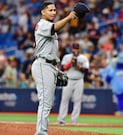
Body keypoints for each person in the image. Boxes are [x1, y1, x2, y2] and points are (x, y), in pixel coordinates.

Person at [31, 1, 78, 135]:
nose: (53, 12)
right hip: (42, 64)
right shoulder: (43, 25)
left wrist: (55, 68)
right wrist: (69, 17)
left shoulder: (48, 25)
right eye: (50, 10)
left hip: (49, 65)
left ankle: (42, 132)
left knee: (48, 103)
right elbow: (54, 28)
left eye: (54, 10)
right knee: (45, 102)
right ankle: (40, 133)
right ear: (43, 12)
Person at [57, 43, 89, 125]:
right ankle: (61, 119)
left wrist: (77, 66)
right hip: (68, 79)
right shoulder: (67, 57)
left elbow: (86, 71)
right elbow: (63, 68)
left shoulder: (83, 58)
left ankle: (74, 121)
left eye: (77, 48)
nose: (75, 50)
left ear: (79, 49)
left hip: (79, 80)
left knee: (77, 100)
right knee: (64, 99)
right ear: (72, 49)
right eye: (74, 48)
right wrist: (70, 63)